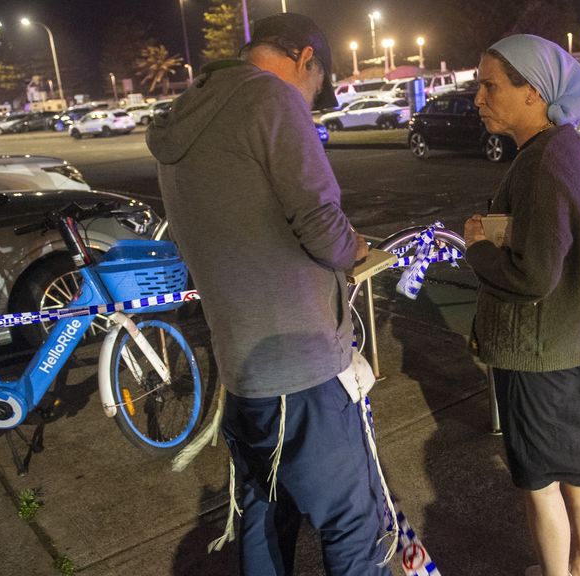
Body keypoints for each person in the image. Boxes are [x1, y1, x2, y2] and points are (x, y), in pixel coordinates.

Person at [146, 13, 391, 576]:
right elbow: (323, 228)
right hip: (301, 368)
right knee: (354, 522)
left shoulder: (184, 118)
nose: (311, 99)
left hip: (242, 370)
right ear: (305, 59)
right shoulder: (271, 101)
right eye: (317, 84)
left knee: (262, 513)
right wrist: (356, 247)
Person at [463, 35, 580, 576]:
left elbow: (533, 274)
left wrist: (478, 248)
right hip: (573, 341)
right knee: (578, 462)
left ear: (534, 93)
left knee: (539, 481)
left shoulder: (542, 163)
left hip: (538, 352)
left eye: (490, 84)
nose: (478, 97)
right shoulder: (562, 146)